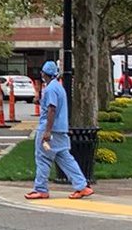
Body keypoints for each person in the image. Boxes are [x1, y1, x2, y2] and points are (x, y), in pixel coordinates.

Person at [25, 61, 94, 200]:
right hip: (61, 129)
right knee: (65, 158)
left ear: (44, 74)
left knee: (43, 158)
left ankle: (41, 189)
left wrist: (47, 131)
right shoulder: (59, 87)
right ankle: (82, 186)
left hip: (49, 128)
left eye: (42, 72)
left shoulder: (50, 89)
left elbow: (52, 109)